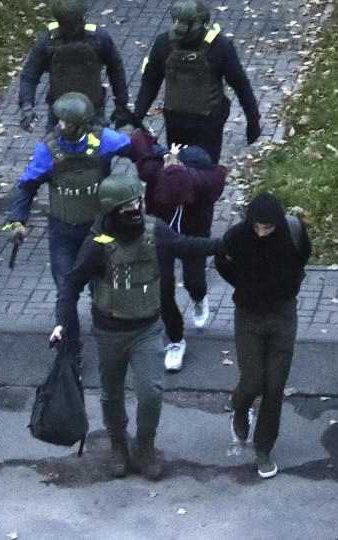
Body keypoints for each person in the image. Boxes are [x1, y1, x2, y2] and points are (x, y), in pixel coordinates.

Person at [52, 174, 222, 480]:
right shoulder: (98, 244)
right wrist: (62, 323)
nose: (135, 209)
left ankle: (145, 446)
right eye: (127, 206)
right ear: (110, 211)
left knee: (150, 393)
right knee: (111, 394)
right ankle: (119, 445)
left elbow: (186, 245)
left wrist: (224, 244)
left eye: (137, 203)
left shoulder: (154, 231)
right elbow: (71, 283)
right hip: (109, 331)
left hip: (146, 329)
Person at [3, 92, 132, 359]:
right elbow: (27, 186)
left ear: (82, 124)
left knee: (104, 287)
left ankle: (112, 341)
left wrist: (164, 161)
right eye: (58, 121)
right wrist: (17, 221)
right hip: (62, 232)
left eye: (66, 123)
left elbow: (138, 150)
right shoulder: (48, 150)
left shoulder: (104, 140)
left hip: (99, 233)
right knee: (66, 292)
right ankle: (71, 350)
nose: (59, 126)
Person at [215, 193, 311, 479]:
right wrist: (245, 286)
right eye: (257, 226)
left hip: (283, 315)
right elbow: (222, 263)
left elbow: (302, 257)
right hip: (248, 316)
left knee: (275, 386)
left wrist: (286, 287)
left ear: (278, 224)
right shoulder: (236, 237)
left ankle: (264, 447)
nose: (261, 232)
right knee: (253, 379)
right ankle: (240, 408)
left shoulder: (293, 233)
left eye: (267, 227)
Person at [130, 128, 228, 372]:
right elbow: (141, 151)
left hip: (192, 235)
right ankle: (176, 340)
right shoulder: (159, 173)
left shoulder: (204, 188)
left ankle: (199, 297)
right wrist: (157, 150)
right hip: (162, 235)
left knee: (194, 280)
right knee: (163, 288)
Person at [132, 0, 261, 163]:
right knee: (178, 173)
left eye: (185, 23)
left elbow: (241, 85)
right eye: (177, 21)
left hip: (208, 127)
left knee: (205, 173)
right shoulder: (164, 43)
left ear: (201, 23)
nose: (178, 26)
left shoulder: (220, 47)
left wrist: (253, 120)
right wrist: (138, 114)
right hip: (176, 123)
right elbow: (151, 81)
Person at [18, 0, 134, 131]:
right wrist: (27, 106)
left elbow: (116, 69)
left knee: (60, 150)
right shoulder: (98, 37)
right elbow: (116, 69)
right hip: (72, 114)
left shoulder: (48, 40)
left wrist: (26, 107)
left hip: (84, 114)